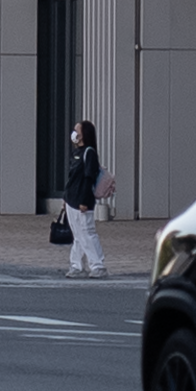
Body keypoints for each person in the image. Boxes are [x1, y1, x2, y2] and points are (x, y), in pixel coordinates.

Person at [59, 118, 108, 278]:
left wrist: (84, 201)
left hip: (81, 201)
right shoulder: (76, 153)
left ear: (83, 134)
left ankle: (98, 265)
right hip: (71, 200)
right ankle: (77, 265)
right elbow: (72, 178)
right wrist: (66, 198)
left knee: (87, 232)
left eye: (77, 131)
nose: (74, 133)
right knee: (78, 234)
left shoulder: (89, 153)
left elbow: (88, 179)